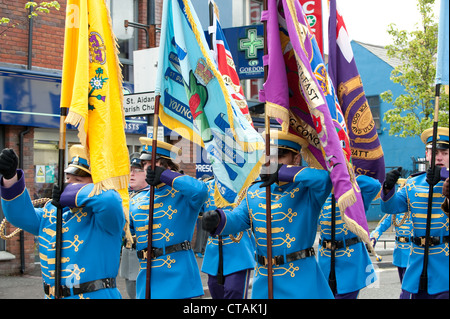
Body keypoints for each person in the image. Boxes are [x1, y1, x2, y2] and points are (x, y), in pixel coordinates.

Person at [202, 130, 334, 299]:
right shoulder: (255, 190)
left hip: (300, 280)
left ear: (296, 159)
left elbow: (325, 179)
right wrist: (218, 219)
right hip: (264, 281)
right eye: (269, 157)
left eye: (279, 156)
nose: (272, 162)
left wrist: (282, 172)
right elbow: (239, 218)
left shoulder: (307, 190)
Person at [0, 145, 125, 299]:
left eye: (77, 180)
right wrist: (10, 178)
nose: (67, 185)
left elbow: (110, 200)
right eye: (67, 179)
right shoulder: (53, 211)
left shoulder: (104, 217)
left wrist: (71, 193)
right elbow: (19, 216)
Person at [131, 137, 208, 299]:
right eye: (144, 164)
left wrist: (166, 176)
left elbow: (201, 191)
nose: (147, 167)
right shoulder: (137, 199)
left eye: (154, 163)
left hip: (179, 280)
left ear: (169, 166)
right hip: (147, 280)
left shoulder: (183, 194)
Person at [381, 127, 449, 299]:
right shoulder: (413, 183)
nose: (438, 157)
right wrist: (388, 188)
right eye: (433, 152)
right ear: (426, 155)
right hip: (417, 261)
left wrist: (443, 175)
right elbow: (391, 208)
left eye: (444, 153)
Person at [317, 174, 381, 299]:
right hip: (325, 259)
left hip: (349, 259)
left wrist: (345, 176)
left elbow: (374, 186)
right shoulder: (323, 191)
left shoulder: (356, 194)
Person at [200, 176, 255, 299]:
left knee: (234, 291)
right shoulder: (206, 186)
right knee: (214, 289)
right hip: (213, 254)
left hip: (238, 250)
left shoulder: (247, 184)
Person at [119, 153, 148, 299]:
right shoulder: (124, 195)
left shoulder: (154, 195)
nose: (131, 174)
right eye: (130, 170)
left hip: (148, 254)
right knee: (132, 292)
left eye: (137, 170)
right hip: (129, 252)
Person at [370, 210, 413, 299]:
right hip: (400, 254)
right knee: (404, 286)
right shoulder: (396, 211)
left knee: (407, 289)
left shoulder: (417, 208)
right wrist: (373, 237)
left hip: (412, 254)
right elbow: (383, 225)